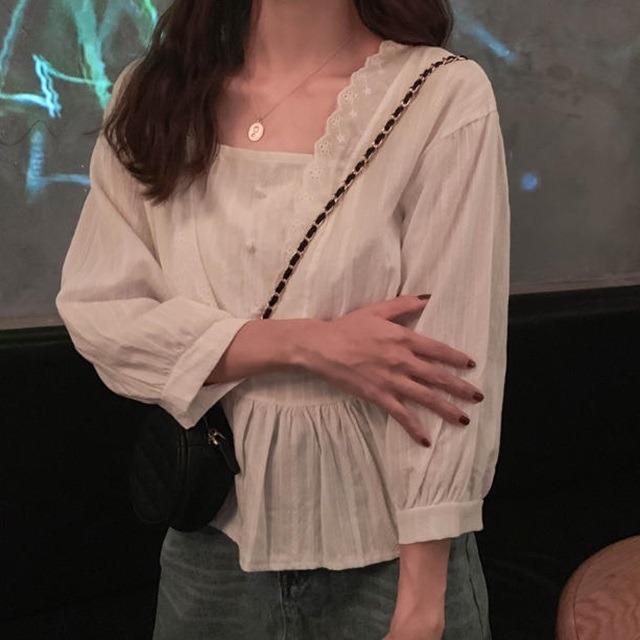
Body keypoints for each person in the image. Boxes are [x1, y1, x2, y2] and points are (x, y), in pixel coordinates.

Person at [55, 0, 510, 638]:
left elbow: (449, 366)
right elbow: (102, 312)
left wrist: (420, 602)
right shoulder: (155, 93)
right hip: (211, 545)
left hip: (394, 556)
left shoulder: (441, 95)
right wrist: (306, 345)